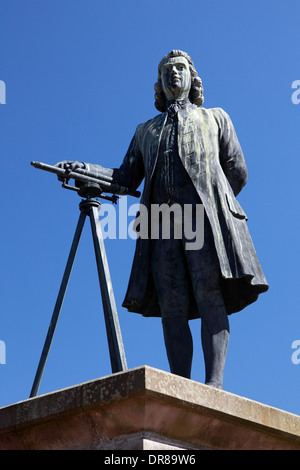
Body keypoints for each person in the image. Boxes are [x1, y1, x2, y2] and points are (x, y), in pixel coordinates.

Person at [56, 50, 268, 389]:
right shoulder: (145, 131)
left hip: (203, 221)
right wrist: (88, 170)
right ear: (160, 82)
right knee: (172, 303)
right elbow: (125, 176)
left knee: (208, 292)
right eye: (167, 70)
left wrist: (217, 206)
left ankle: (214, 383)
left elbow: (237, 171)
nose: (174, 74)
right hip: (162, 223)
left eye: (180, 68)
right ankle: (181, 384)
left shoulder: (215, 118)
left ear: (192, 77)